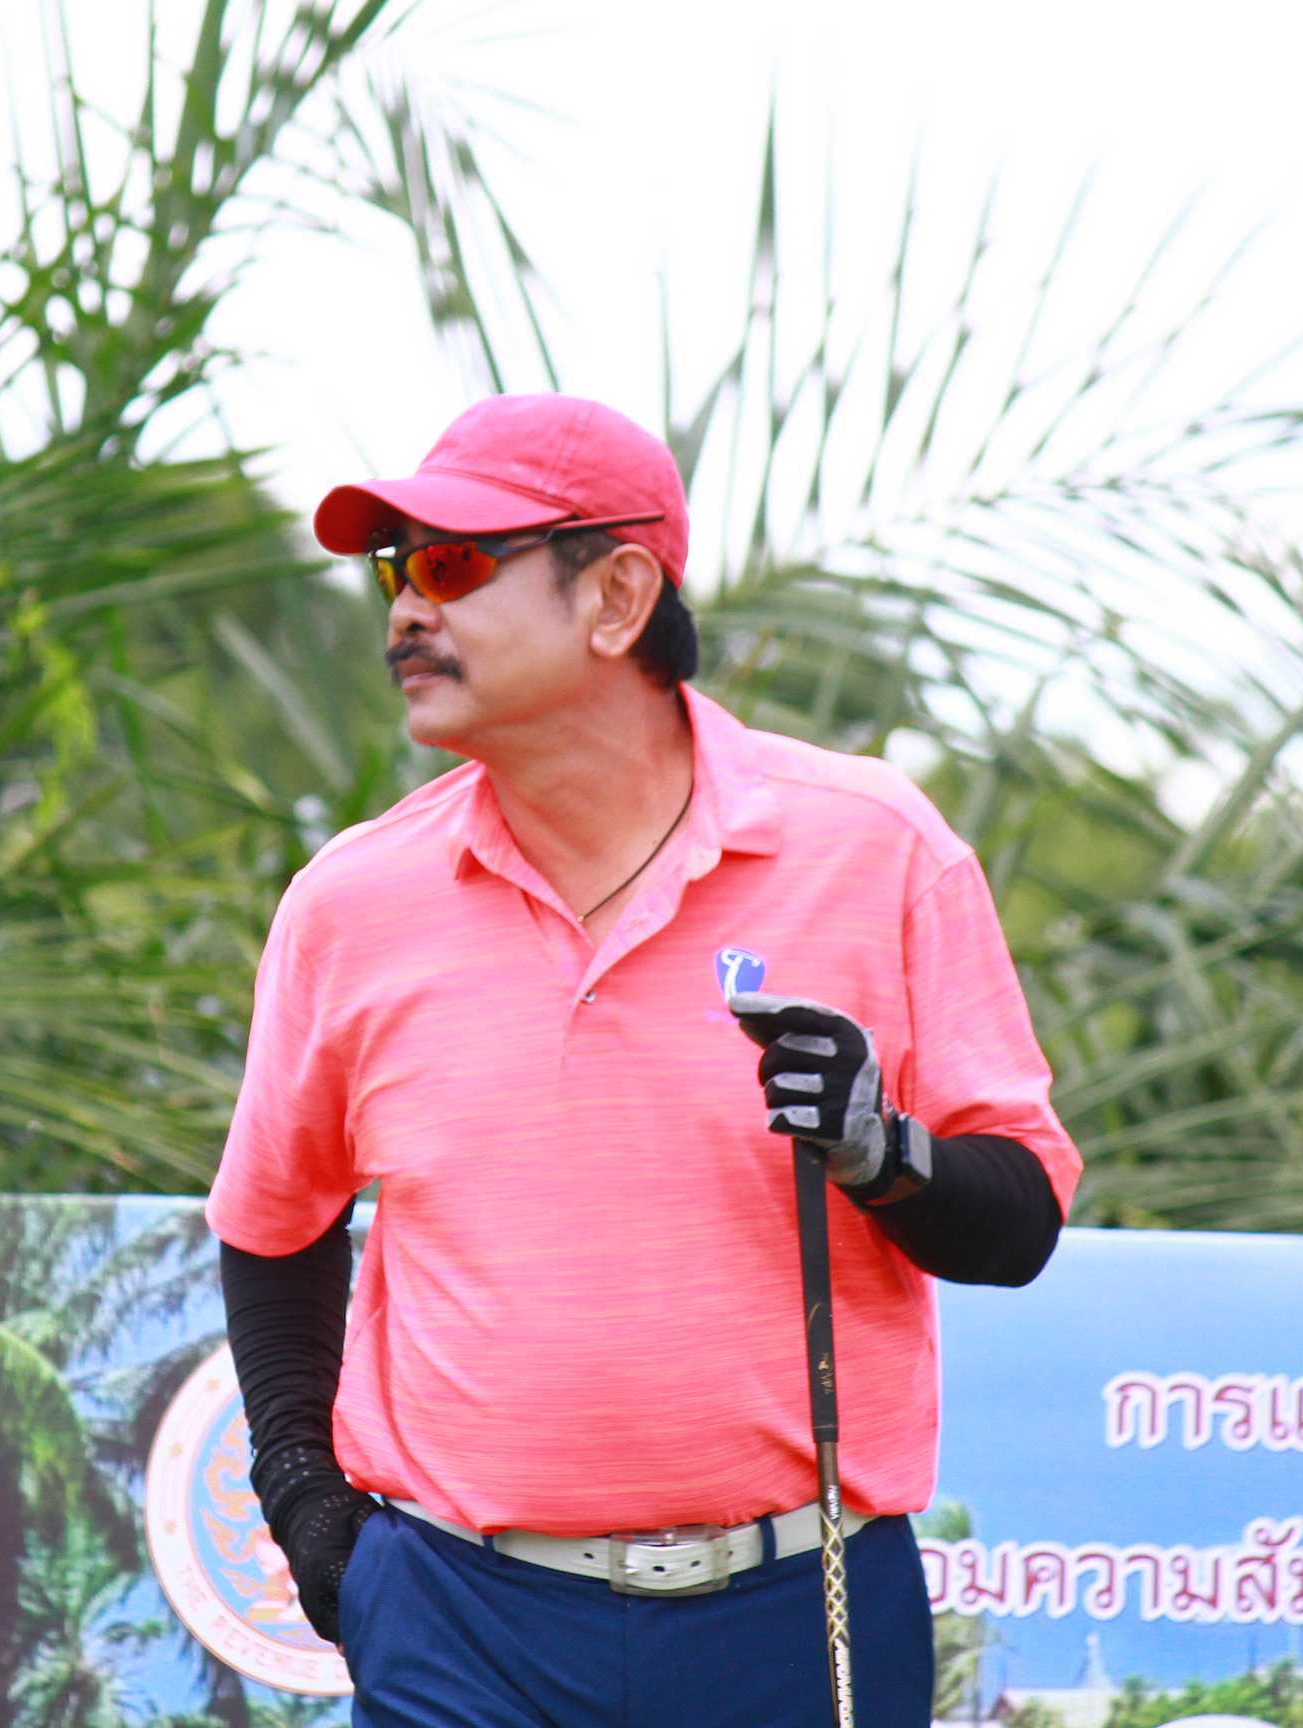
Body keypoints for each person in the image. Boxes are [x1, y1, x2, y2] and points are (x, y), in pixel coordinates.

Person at [207, 392, 1082, 1727]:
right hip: (456, 1622)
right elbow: (273, 1225)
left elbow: (1018, 1222)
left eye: (452, 565)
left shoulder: (876, 847)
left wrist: (879, 1152)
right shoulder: (349, 903)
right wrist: (313, 1516)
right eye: (395, 571)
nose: (405, 612)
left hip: (803, 1612)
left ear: (617, 597)